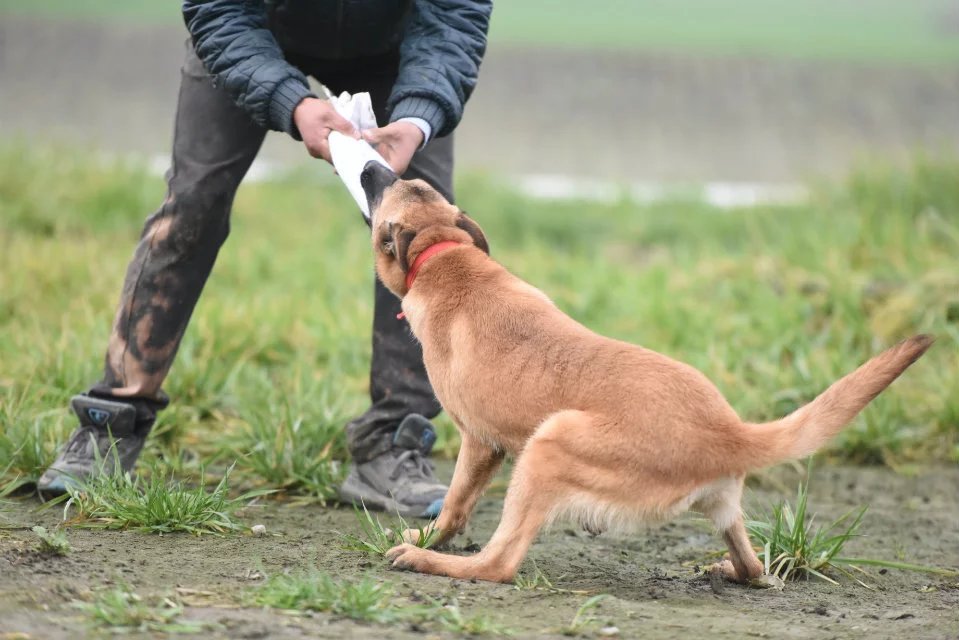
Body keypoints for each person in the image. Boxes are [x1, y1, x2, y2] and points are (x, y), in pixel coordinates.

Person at [38, 0, 492, 518]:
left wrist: (418, 117)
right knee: (193, 205)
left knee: (427, 234)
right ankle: (110, 424)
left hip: (398, 50)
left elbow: (454, 15)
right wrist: (291, 102)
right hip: (251, 33)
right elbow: (218, 8)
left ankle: (394, 444)